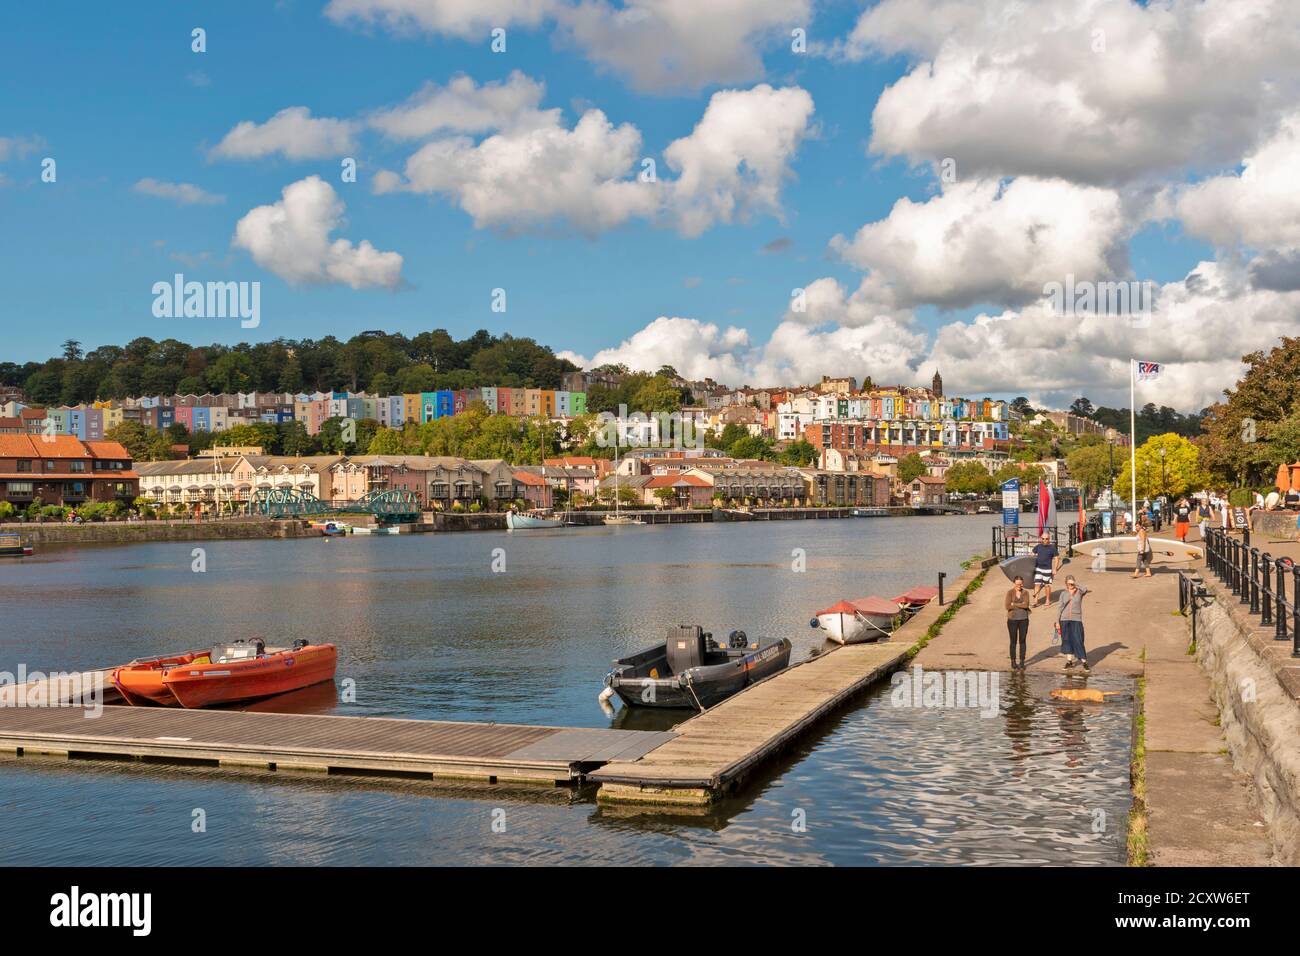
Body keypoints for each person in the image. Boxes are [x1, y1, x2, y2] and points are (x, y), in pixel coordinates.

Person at [1056, 575, 1090, 670]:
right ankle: (1069, 661)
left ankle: (1084, 662)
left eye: (1071, 583)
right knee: (1066, 640)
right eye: (1068, 583)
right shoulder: (1063, 593)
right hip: (1064, 619)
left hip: (1076, 619)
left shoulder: (1079, 592)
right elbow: (1060, 608)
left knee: (1078, 640)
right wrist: (1057, 622)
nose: (1070, 585)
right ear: (1066, 584)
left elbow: (1085, 589)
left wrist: (1075, 584)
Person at [1005, 574, 1031, 669]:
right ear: (1014, 583)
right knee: (1013, 641)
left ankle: (1022, 661)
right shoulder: (1009, 592)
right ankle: (1013, 661)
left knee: (1022, 641)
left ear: (1022, 583)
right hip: (1012, 620)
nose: (1019, 586)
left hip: (1024, 619)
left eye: (1020, 584)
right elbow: (1007, 606)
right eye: (1017, 584)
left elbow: (1026, 605)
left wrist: (1014, 604)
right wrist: (1021, 604)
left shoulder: (1026, 593)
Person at [1030, 532, 1060, 607]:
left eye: (1046, 539)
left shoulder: (1052, 547)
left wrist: (1055, 569)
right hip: (1038, 568)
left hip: (1047, 569)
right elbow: (1031, 556)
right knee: (1037, 584)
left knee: (1047, 586)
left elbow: (1057, 559)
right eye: (1043, 539)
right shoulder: (1038, 546)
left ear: (1049, 539)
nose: (1044, 540)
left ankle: (1047, 600)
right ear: (1041, 539)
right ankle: (1035, 601)